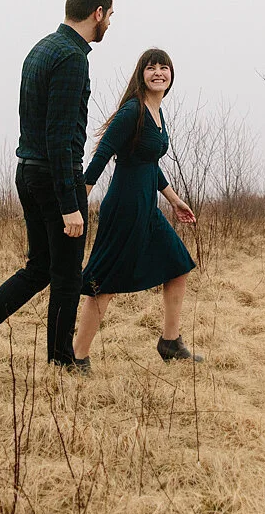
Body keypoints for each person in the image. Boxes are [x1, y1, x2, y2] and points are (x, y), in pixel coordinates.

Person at [0, 0, 116, 373]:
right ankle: (62, 363)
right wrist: (69, 203)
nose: (109, 23)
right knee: (66, 276)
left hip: (29, 172)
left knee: (39, 269)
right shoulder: (72, 58)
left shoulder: (41, 49)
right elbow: (59, 135)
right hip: (56, 177)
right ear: (97, 13)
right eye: (109, 15)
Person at [71, 48, 199, 373]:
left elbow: (149, 163)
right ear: (141, 74)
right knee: (104, 282)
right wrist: (78, 202)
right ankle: (77, 355)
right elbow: (102, 155)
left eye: (164, 67)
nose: (158, 72)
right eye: (151, 67)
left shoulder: (157, 112)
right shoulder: (133, 111)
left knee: (178, 265)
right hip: (124, 207)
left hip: (147, 208)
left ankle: (170, 342)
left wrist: (174, 200)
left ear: (171, 75)